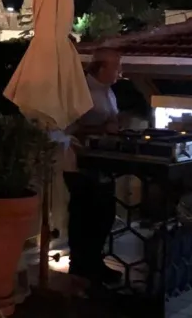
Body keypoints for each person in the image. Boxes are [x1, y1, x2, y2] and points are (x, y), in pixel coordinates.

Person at [63, 48, 124, 285]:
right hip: (79, 162)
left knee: (104, 215)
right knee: (84, 216)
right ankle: (80, 266)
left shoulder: (109, 93)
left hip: (103, 162)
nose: (120, 72)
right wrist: (101, 129)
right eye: (116, 67)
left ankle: (93, 263)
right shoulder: (80, 91)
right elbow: (68, 127)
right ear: (101, 67)